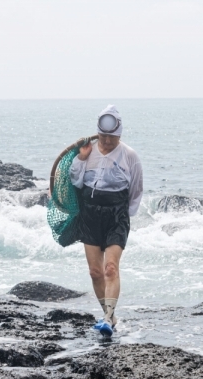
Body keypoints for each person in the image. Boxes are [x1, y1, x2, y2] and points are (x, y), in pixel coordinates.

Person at [69, 105, 143, 338]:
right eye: (103, 136)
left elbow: (136, 190)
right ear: (98, 133)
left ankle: (108, 319)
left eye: (112, 137)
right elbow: (76, 182)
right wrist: (81, 158)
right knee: (95, 272)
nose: (107, 141)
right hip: (90, 214)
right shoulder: (88, 152)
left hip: (116, 215)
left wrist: (124, 219)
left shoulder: (129, 155)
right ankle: (109, 316)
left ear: (119, 135)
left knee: (111, 268)